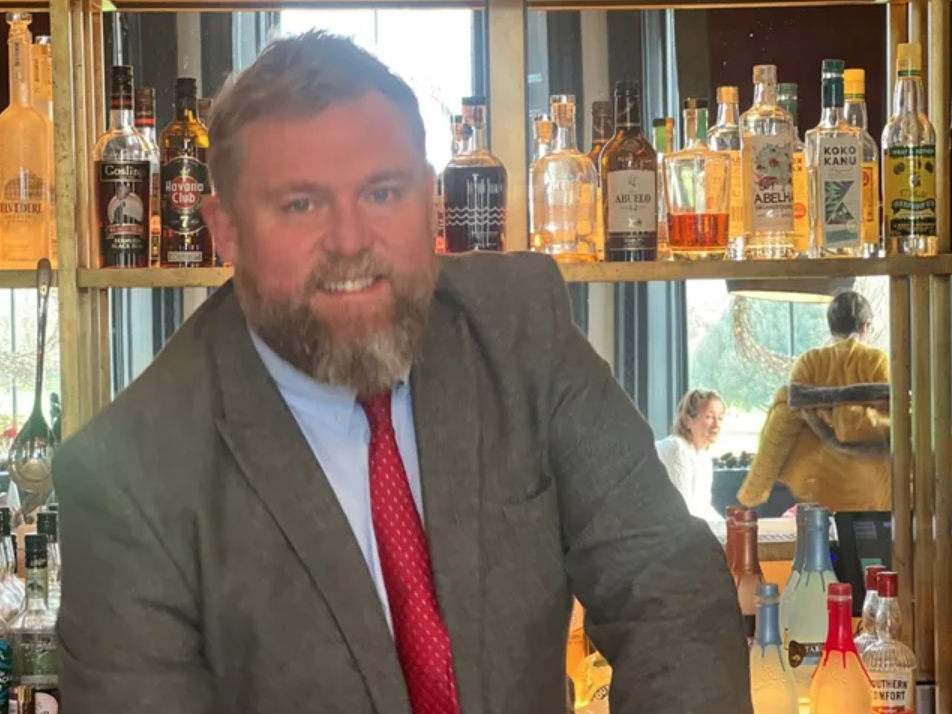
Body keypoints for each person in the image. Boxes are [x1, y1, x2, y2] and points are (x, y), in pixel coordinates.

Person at [52, 32, 750, 714]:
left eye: (383, 193)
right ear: (225, 228)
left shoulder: (518, 329)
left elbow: (670, 591)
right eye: (301, 204)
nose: (351, 241)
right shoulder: (128, 480)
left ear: (429, 198)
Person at [738, 290, 890, 512]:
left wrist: (753, 491)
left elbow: (781, 429)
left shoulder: (809, 362)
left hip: (819, 487)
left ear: (831, 326)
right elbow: (890, 425)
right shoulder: (877, 361)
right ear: (866, 326)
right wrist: (847, 420)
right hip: (870, 490)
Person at [655, 389, 726, 521]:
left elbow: (703, 507)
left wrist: (729, 528)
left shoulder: (703, 457)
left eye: (720, 418)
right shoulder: (676, 448)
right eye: (709, 417)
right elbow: (682, 513)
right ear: (688, 421)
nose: (716, 425)